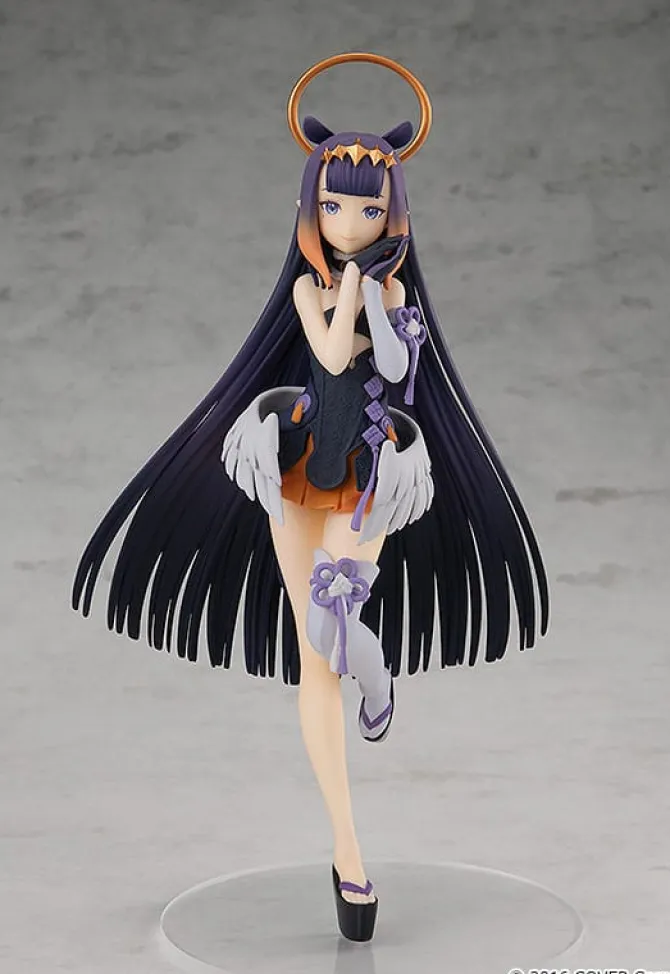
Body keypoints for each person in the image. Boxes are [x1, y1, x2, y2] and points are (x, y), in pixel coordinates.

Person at [72, 53, 550, 943]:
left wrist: (380, 299)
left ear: (392, 215)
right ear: (310, 208)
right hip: (297, 461)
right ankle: (348, 851)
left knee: (337, 618)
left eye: (368, 211)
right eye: (334, 207)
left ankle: (376, 676)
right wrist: (356, 292)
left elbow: (397, 369)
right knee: (313, 655)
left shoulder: (392, 288)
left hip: (368, 469)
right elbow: (330, 356)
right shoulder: (308, 286)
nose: (350, 224)